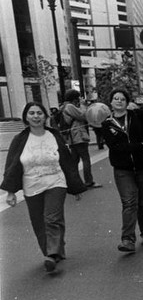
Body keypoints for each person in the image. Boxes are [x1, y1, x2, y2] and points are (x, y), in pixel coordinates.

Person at [1, 102, 86, 272]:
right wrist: (10, 192)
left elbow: (67, 162)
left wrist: (75, 187)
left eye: (39, 113)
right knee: (39, 222)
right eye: (31, 113)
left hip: (56, 182)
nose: (36, 116)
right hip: (31, 185)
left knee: (52, 218)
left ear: (45, 116)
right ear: (26, 117)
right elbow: (12, 165)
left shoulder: (54, 136)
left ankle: (52, 254)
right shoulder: (20, 139)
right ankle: (55, 249)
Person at [101, 88, 143, 252]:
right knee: (129, 202)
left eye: (122, 99)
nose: (118, 101)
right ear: (110, 102)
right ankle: (127, 239)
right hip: (122, 170)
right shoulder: (107, 124)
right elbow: (116, 147)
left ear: (127, 102)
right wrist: (140, 146)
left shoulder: (138, 116)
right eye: (115, 98)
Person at [62, 89, 102, 188]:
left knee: (74, 161)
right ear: (74, 98)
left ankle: (73, 182)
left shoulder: (64, 106)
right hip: (78, 136)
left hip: (72, 137)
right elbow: (83, 116)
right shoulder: (69, 106)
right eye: (78, 97)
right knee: (85, 159)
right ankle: (89, 181)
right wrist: (83, 105)